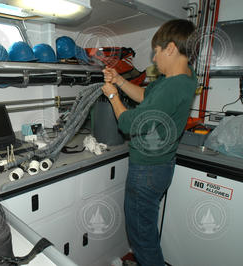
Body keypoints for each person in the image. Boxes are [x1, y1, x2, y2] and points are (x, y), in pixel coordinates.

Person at [101, 19, 197, 266]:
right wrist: (121, 82)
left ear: (171, 48)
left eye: (156, 52)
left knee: (142, 238)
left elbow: (130, 124)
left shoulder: (172, 86)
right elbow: (146, 95)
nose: (154, 59)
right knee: (146, 230)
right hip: (161, 167)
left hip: (147, 171)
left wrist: (113, 96)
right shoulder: (183, 78)